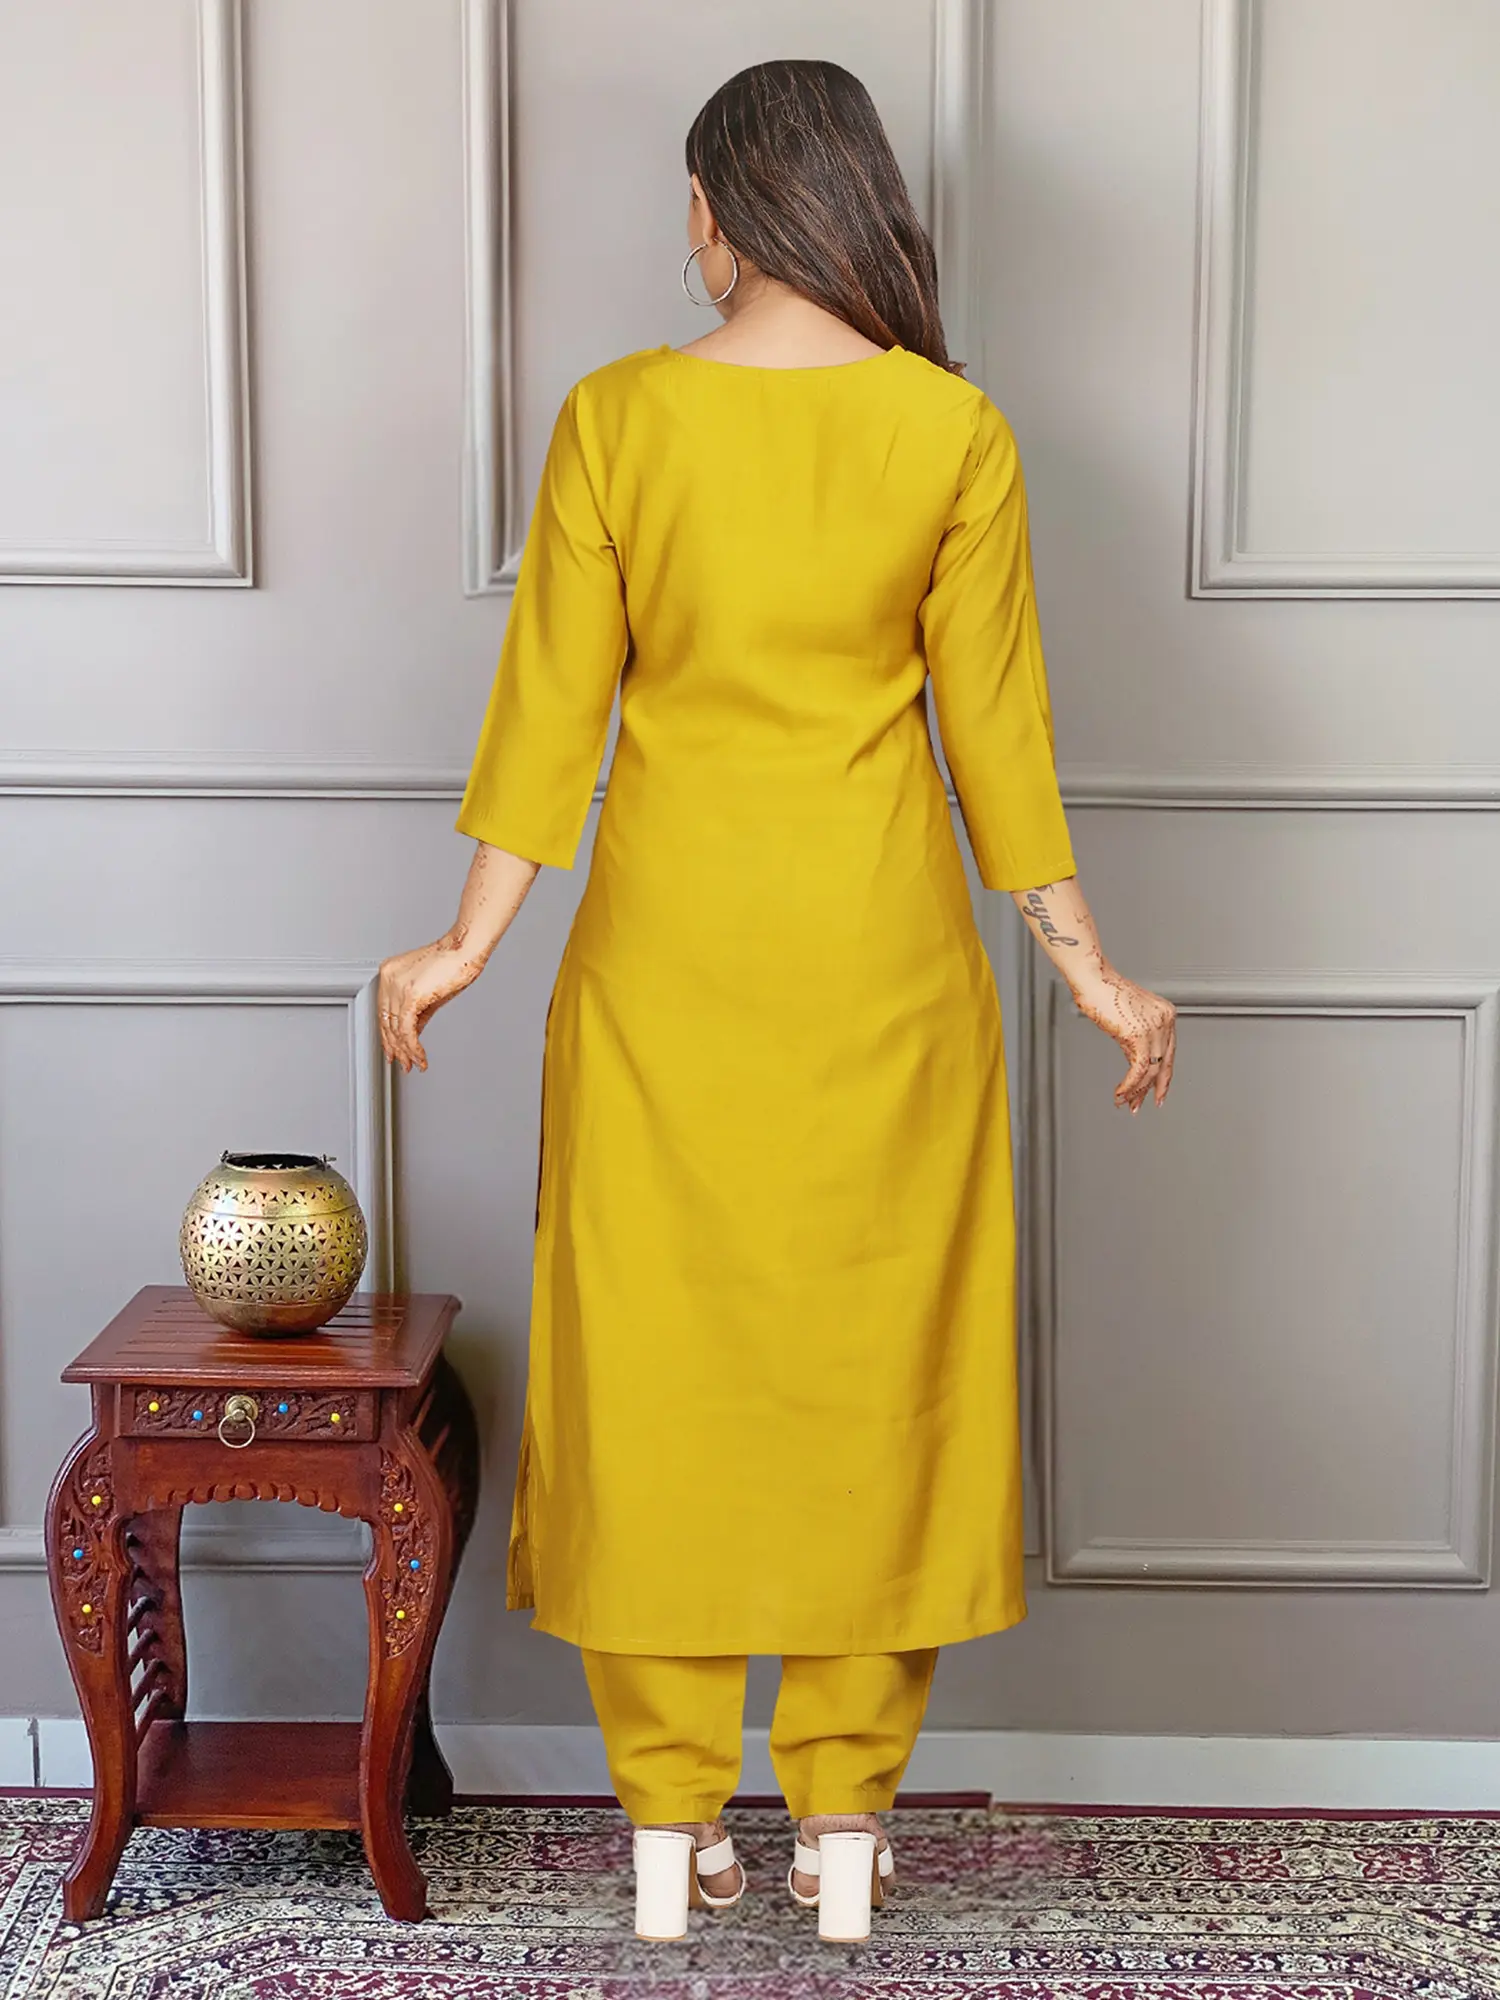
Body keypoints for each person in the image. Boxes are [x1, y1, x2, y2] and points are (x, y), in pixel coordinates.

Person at [378, 58, 1175, 1945]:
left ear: (722, 208)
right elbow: (1001, 745)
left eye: (690, 196)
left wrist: (462, 945)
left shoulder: (617, 419)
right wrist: (1089, 967)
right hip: (887, 983)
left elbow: (549, 720)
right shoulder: (949, 432)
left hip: (662, 980)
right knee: (875, 1383)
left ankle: (668, 1824)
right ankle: (842, 1826)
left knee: (652, 1376)